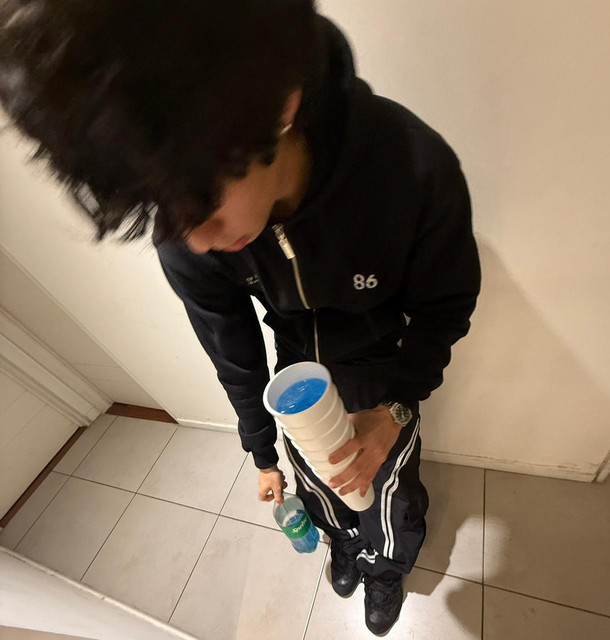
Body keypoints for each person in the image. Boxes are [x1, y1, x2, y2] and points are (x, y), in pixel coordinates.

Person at [0, 1, 481, 634]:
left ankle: (386, 567)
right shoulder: (185, 234)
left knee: (387, 489)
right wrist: (261, 451)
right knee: (315, 478)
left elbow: (445, 306)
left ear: (278, 104)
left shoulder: (411, 167)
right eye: (160, 209)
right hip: (296, 371)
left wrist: (395, 409)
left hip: (382, 368)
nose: (195, 241)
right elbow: (232, 347)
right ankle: (344, 543)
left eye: (199, 201)